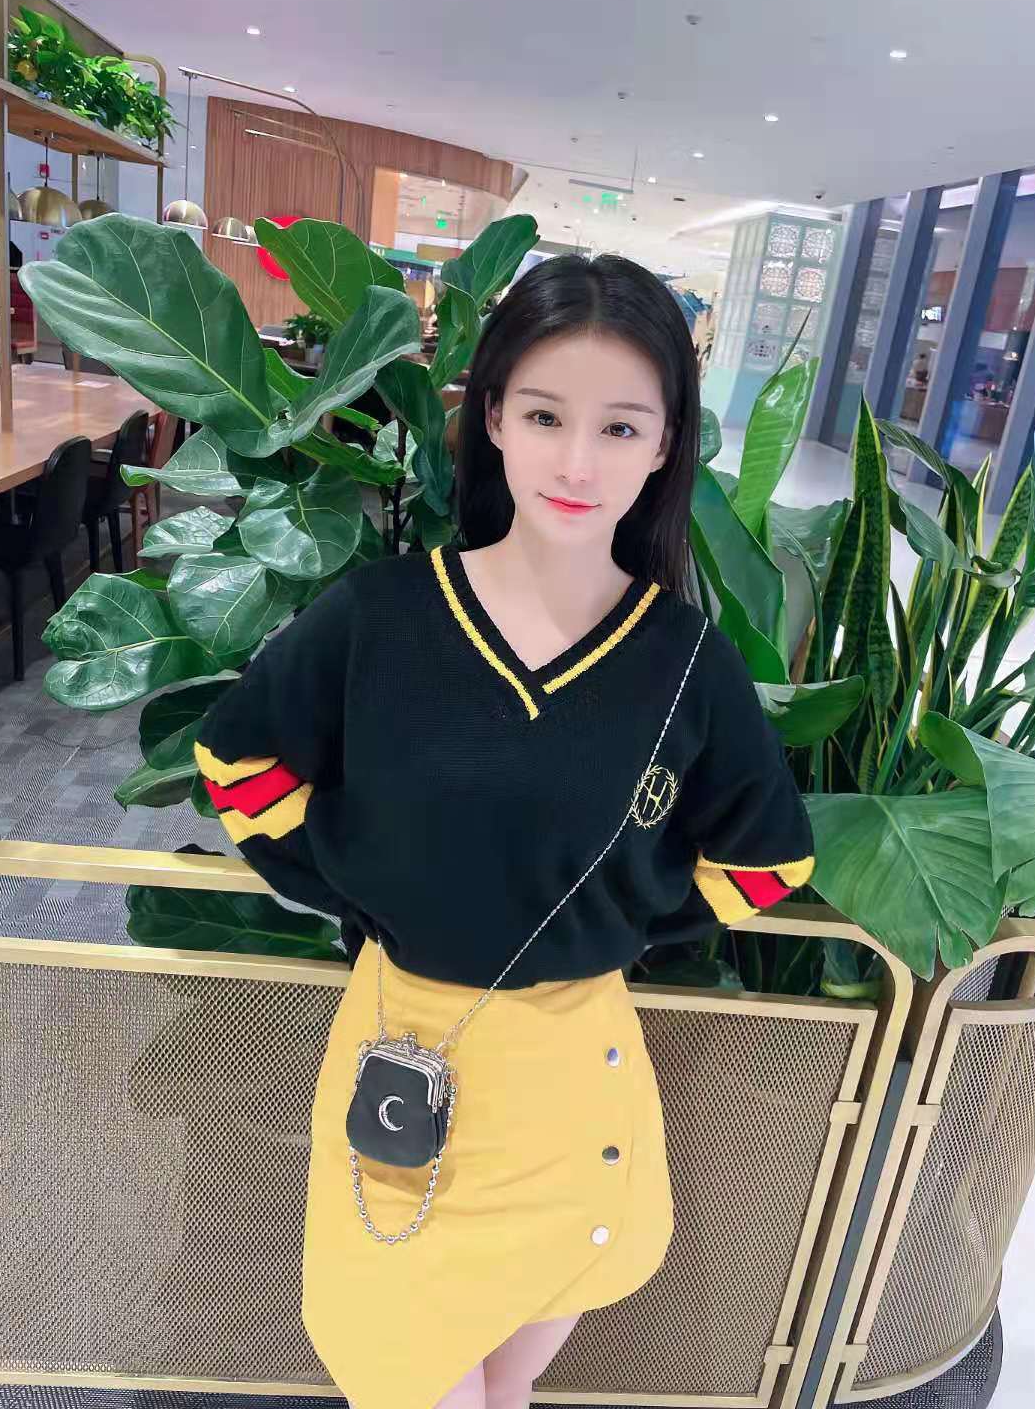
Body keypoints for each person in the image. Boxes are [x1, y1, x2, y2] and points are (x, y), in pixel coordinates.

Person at [192, 253, 816, 1409]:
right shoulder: (381, 615)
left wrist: (613, 919)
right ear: (491, 418)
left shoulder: (687, 663)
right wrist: (362, 885)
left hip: (574, 1081)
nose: (577, 463)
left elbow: (768, 863)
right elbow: (240, 766)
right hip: (403, 1054)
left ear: (666, 446)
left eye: (620, 427)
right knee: (407, 1374)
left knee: (503, 1391)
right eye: (543, 415)